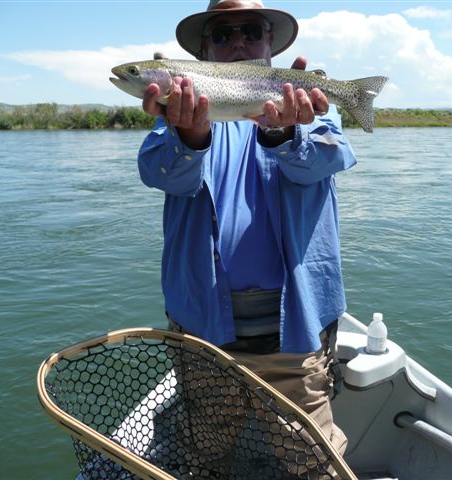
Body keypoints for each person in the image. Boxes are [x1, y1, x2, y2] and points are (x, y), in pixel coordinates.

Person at [137, 0, 356, 457]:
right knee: (208, 450)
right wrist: (189, 137)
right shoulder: (175, 119)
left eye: (251, 30)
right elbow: (159, 173)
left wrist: (282, 134)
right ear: (203, 50)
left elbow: (329, 158)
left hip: (295, 333)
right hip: (203, 329)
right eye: (222, 34)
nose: (238, 41)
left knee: (310, 459)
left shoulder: (309, 112)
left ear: (270, 41)